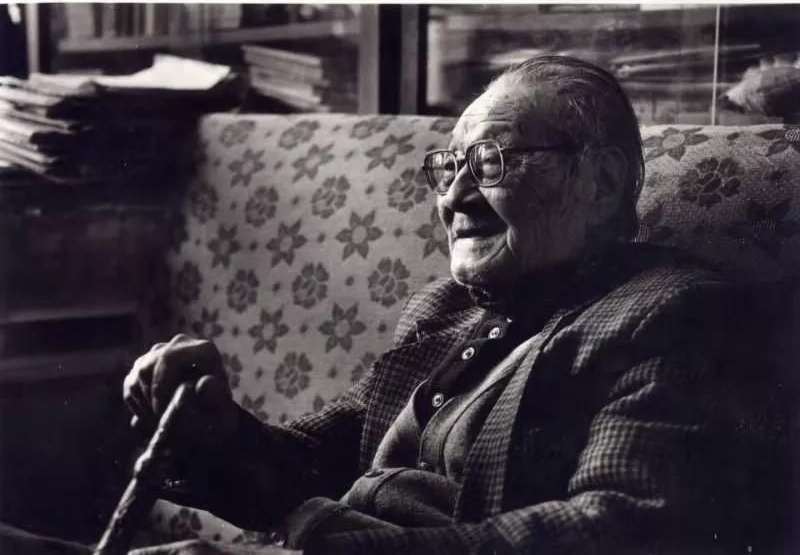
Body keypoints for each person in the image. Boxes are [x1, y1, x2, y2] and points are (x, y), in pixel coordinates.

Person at [1, 55, 789, 555]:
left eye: (492, 160)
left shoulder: (672, 314)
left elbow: (617, 529)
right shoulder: (448, 312)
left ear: (604, 181)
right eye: (448, 165)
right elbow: (316, 460)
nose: (453, 194)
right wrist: (216, 430)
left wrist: (324, 539)